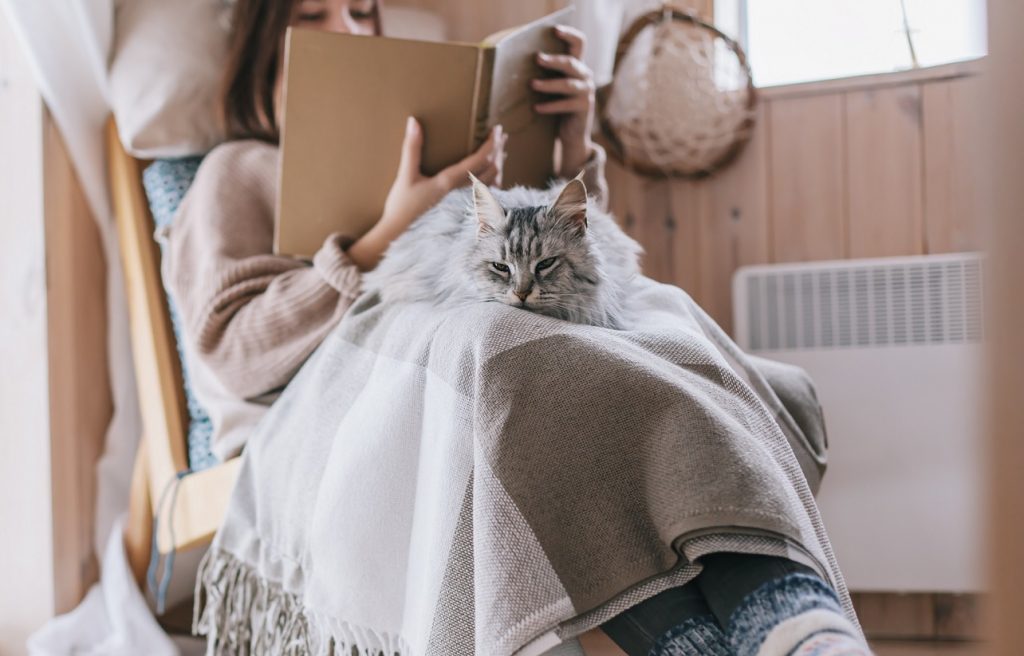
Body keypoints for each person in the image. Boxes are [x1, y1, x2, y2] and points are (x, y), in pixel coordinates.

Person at [163, 1, 873, 654]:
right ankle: (776, 618)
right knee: (506, 357)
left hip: (510, 347)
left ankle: (787, 618)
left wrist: (569, 152)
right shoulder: (238, 171)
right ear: (264, 50)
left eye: (360, 11)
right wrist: (386, 234)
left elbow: (570, 268)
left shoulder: (440, 160)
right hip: (359, 386)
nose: (349, 31)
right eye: (317, 14)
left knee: (659, 326)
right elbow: (230, 351)